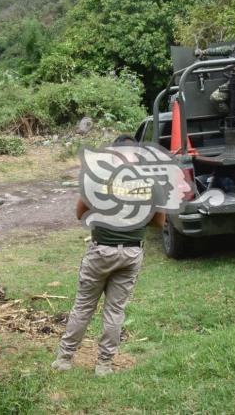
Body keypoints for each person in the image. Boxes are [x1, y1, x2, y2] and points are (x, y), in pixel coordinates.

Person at [51, 136, 162, 377]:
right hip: (132, 252)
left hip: (101, 252)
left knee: (83, 306)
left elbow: (80, 213)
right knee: (115, 311)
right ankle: (104, 364)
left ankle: (64, 358)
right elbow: (159, 222)